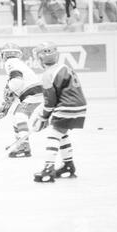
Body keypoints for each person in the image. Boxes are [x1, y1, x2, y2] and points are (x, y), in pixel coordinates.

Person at [32, 42, 87, 183]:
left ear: (40, 59)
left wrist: (43, 117)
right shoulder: (65, 67)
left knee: (54, 135)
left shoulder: (47, 75)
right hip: (79, 107)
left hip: (66, 107)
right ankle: (68, 166)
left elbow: (50, 103)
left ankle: (48, 169)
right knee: (62, 133)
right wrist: (44, 116)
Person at [0, 43, 43, 158]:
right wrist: (5, 107)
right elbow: (16, 87)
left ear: (4, 55)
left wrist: (8, 89)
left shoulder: (10, 63)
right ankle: (20, 143)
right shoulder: (19, 63)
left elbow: (17, 82)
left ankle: (23, 145)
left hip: (32, 94)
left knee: (20, 116)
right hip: (35, 93)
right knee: (17, 116)